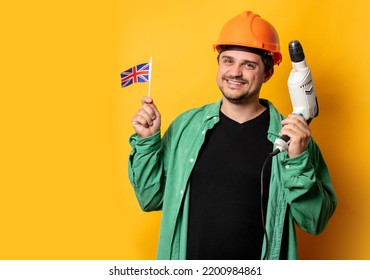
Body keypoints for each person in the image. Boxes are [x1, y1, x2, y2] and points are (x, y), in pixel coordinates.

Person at [128, 11, 337, 260]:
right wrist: (148, 142)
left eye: (249, 65)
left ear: (267, 73)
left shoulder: (294, 138)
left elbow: (315, 222)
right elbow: (149, 198)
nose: (235, 72)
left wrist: (298, 160)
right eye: (228, 61)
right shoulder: (186, 127)